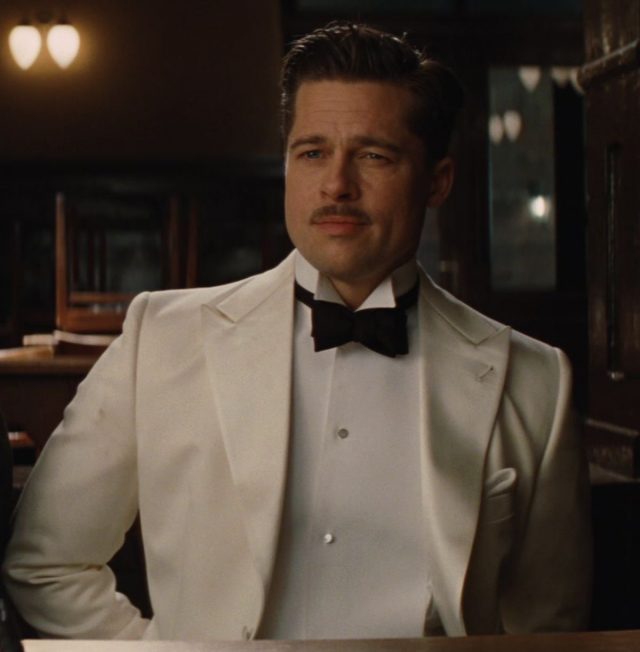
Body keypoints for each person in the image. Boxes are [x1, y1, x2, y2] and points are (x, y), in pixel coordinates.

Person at [2, 22, 591, 641]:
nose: (336, 185)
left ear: (437, 181)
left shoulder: (535, 380)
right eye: (312, 153)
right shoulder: (161, 339)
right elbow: (44, 563)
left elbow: (550, 630)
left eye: (373, 155)